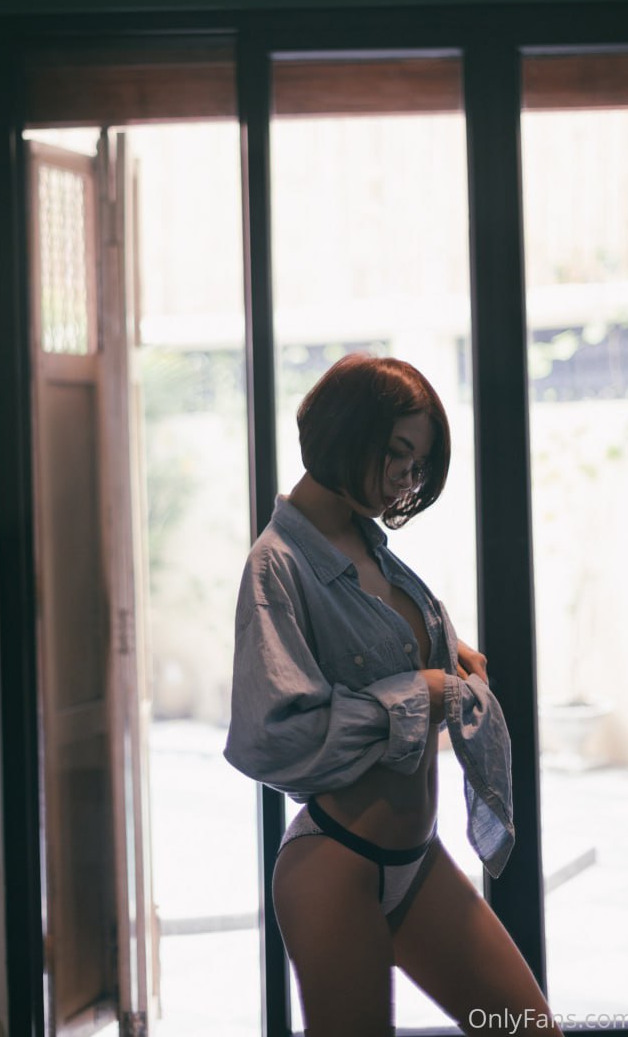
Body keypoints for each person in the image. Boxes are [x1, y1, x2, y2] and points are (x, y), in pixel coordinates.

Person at [224, 354, 560, 1037]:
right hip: (335, 865)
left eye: (419, 462)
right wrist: (419, 695)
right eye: (397, 453)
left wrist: (446, 654)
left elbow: (384, 658)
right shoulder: (276, 565)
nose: (407, 476)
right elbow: (273, 737)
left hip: (417, 859)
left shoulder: (366, 543)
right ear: (347, 433)